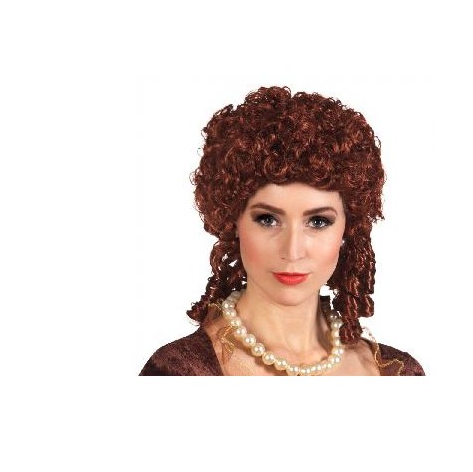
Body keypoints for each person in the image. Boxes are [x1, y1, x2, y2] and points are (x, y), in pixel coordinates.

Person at [140, 86, 425, 376]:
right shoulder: (178, 371)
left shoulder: (399, 372)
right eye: (268, 219)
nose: (292, 251)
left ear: (348, 228)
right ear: (232, 220)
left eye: (318, 222)